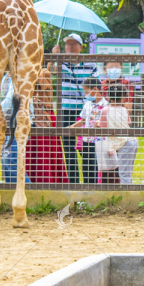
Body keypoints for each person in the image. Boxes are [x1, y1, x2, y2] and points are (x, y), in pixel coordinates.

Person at [59, 33, 98, 182]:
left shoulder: (90, 64)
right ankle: (73, 183)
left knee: (88, 147)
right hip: (66, 109)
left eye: (74, 44)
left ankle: (90, 183)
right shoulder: (60, 62)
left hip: (85, 111)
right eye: (67, 44)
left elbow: (96, 85)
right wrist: (53, 56)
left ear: (81, 47)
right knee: (69, 149)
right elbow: (47, 73)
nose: (70, 47)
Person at [26, 65, 67, 183]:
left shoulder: (43, 73)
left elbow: (42, 87)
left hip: (43, 116)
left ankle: (46, 181)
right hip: (34, 115)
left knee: (44, 151)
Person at [67, 77, 107, 184]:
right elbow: (83, 120)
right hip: (87, 141)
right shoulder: (87, 105)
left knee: (97, 167)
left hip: (100, 142)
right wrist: (72, 127)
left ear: (95, 89)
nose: (85, 95)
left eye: (86, 92)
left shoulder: (106, 106)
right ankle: (87, 190)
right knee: (86, 168)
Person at [97, 83, 138, 184]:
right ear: (123, 98)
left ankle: (127, 196)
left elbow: (101, 126)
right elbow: (127, 123)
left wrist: (95, 124)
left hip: (123, 143)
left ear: (108, 97)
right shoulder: (124, 110)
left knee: (124, 174)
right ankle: (130, 194)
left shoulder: (105, 111)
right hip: (131, 141)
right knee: (127, 172)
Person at [0, 71, 32, 184]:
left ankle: (30, 191)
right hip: (8, 124)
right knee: (5, 161)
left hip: (19, 123)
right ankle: (11, 192)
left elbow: (9, 101)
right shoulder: (5, 77)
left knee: (11, 160)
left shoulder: (18, 77)